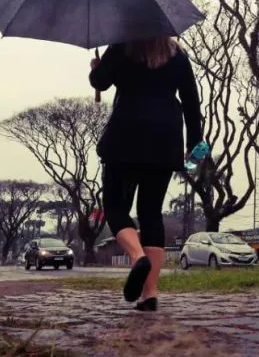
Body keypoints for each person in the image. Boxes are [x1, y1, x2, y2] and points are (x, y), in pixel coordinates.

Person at [89, 36, 202, 312]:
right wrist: (194, 144)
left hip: (125, 136)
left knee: (115, 208)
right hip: (165, 139)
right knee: (151, 213)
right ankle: (149, 294)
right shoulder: (177, 54)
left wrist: (95, 67)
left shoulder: (121, 47)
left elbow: (100, 82)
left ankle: (138, 256)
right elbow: (191, 101)